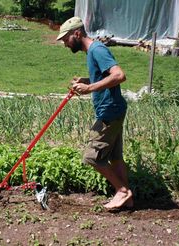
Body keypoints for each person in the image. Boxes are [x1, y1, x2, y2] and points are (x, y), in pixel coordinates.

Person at [56, 16, 133, 209]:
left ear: (77, 33)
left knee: (91, 156)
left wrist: (90, 89)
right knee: (115, 158)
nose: (65, 44)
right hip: (113, 109)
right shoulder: (92, 52)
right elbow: (105, 77)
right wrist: (87, 80)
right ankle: (128, 200)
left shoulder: (97, 50)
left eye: (66, 39)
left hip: (109, 111)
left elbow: (119, 75)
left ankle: (122, 191)